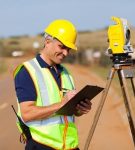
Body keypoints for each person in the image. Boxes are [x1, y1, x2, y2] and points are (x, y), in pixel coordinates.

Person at [14, 19, 92, 150]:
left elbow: (68, 112)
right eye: (61, 47)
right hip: (41, 145)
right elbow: (27, 113)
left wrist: (80, 109)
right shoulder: (27, 71)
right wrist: (62, 104)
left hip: (70, 145)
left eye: (68, 49)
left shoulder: (65, 73)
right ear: (47, 42)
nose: (66, 53)